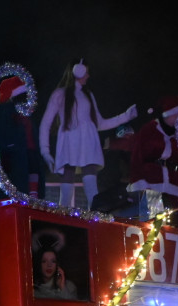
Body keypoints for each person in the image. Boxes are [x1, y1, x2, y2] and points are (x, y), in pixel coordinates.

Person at [39, 59, 138, 208]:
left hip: (88, 142)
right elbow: (45, 124)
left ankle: (94, 215)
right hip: (69, 142)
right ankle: (63, 215)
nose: (88, 76)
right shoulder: (61, 94)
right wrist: (45, 152)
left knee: (91, 184)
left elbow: (99, 123)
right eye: (86, 72)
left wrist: (125, 116)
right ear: (77, 71)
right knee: (67, 182)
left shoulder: (88, 95)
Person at [0, 76, 43, 199]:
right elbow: (0, 135)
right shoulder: (5, 111)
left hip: (29, 153)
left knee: (31, 178)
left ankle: (33, 197)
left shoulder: (27, 113)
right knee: (16, 186)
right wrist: (5, 153)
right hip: (15, 156)